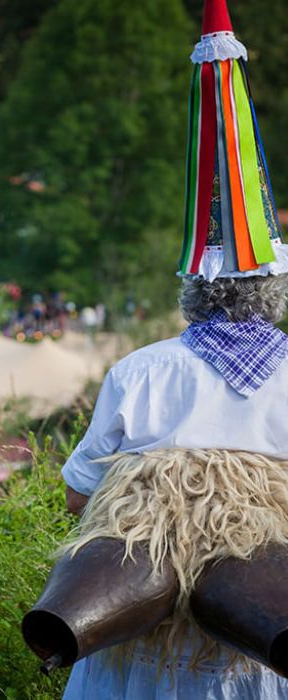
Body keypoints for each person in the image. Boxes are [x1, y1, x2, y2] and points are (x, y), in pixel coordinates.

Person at [55, 0, 288, 696]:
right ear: (275, 294)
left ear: (192, 292)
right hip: (261, 645)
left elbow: (77, 497)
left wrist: (162, 514)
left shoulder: (142, 372)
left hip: (139, 646)